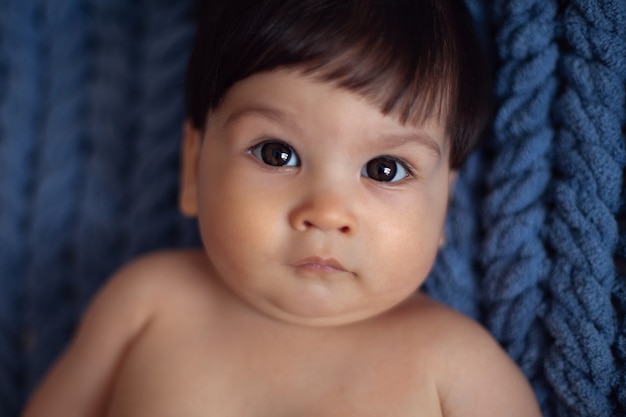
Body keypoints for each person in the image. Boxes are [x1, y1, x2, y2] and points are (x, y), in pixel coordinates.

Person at [22, 0, 542, 416]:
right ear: (193, 165)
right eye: (278, 154)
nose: (326, 211)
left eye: (385, 169)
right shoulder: (147, 304)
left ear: (445, 203)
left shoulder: (458, 367)